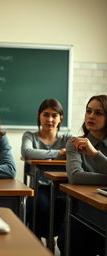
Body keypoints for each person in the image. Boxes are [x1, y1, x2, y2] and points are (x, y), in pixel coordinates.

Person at [57, 95, 107, 256]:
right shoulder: (75, 143)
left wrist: (94, 153)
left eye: (99, 113)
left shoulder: (92, 148)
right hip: (82, 212)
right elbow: (76, 177)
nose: (91, 116)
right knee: (71, 239)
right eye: (88, 111)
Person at [21, 99, 72, 246]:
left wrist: (42, 155)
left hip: (63, 188)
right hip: (39, 187)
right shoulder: (30, 136)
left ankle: (52, 239)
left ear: (61, 117)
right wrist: (59, 153)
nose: (50, 119)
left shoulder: (68, 138)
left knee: (66, 206)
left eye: (54, 115)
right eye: (46, 115)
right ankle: (37, 242)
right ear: (39, 116)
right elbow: (27, 152)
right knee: (38, 203)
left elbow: (74, 152)